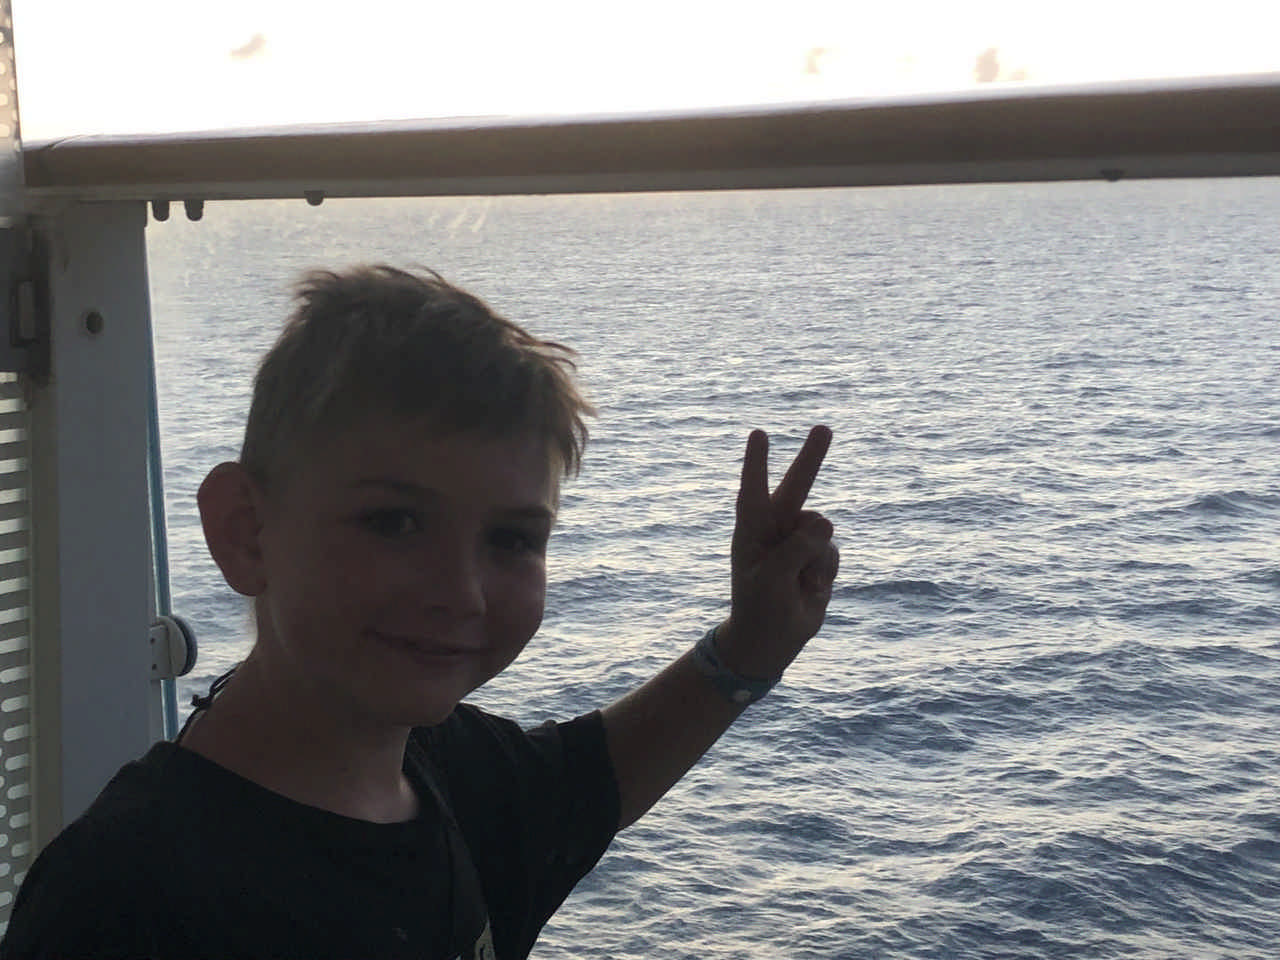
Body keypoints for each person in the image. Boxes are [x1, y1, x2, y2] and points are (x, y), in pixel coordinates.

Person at [0, 265, 837, 959]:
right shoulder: (123, 901)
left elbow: (594, 779)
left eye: (511, 540)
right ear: (247, 532)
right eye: (394, 522)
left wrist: (750, 649)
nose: (462, 593)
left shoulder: (447, 770)